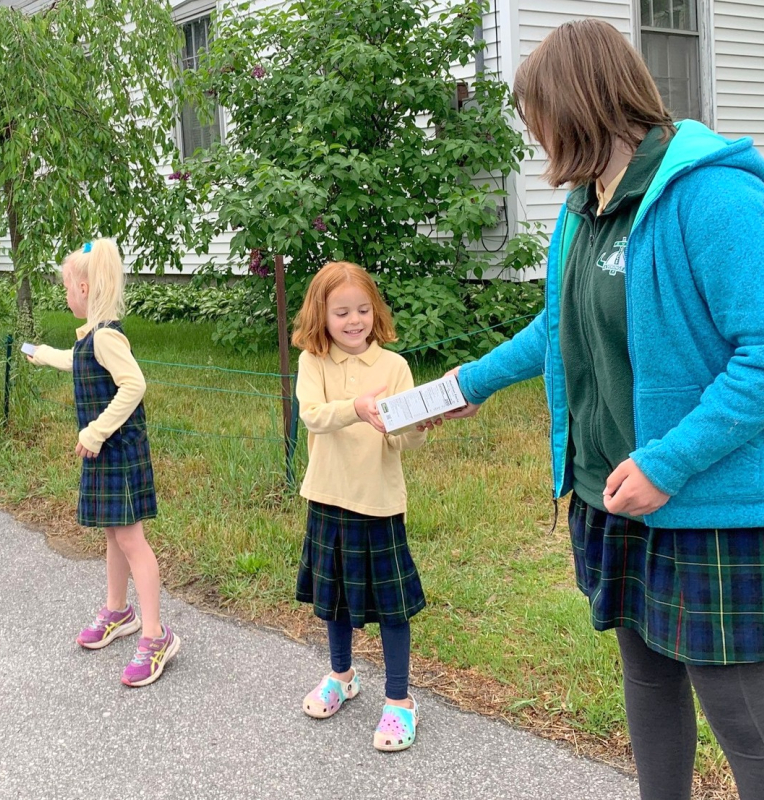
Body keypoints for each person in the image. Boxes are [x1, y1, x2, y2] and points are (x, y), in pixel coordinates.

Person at [434, 20, 764, 799]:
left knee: (744, 721)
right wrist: (462, 387)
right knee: (647, 681)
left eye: (538, 115)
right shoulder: (584, 210)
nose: (534, 134)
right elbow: (557, 326)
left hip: (704, 508)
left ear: (577, 106)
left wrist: (665, 463)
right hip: (609, 493)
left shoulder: (710, 196)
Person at [27, 239, 180, 688]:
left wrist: (95, 431)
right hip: (104, 452)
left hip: (117, 452)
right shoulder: (92, 339)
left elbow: (134, 385)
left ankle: (156, 635)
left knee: (132, 540)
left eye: (68, 290)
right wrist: (39, 353)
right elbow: (75, 362)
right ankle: (119, 609)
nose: (66, 297)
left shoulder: (109, 337)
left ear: (85, 287)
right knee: (114, 532)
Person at [288, 260, 427, 750]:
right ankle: (342, 676)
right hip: (327, 496)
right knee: (336, 601)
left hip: (380, 503)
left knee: (392, 607)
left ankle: (399, 701)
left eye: (363, 310)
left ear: (376, 311)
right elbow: (312, 416)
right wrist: (358, 409)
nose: (353, 321)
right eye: (342, 312)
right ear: (320, 315)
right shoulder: (313, 362)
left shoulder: (394, 367)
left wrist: (415, 424)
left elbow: (403, 440)